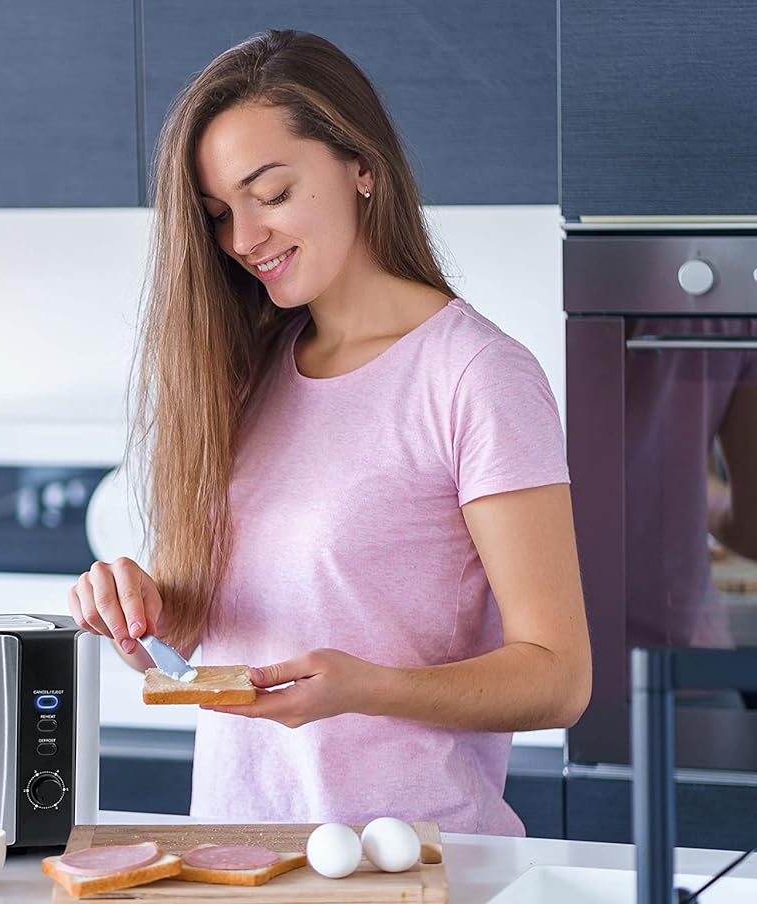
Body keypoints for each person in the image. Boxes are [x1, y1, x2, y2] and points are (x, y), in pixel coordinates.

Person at [67, 30, 591, 835]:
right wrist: (144, 614)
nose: (243, 241)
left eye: (271, 194)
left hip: (411, 862)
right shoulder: (241, 372)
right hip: (239, 857)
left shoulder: (474, 376)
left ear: (362, 166)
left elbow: (558, 679)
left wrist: (368, 686)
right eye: (218, 215)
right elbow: (215, 617)